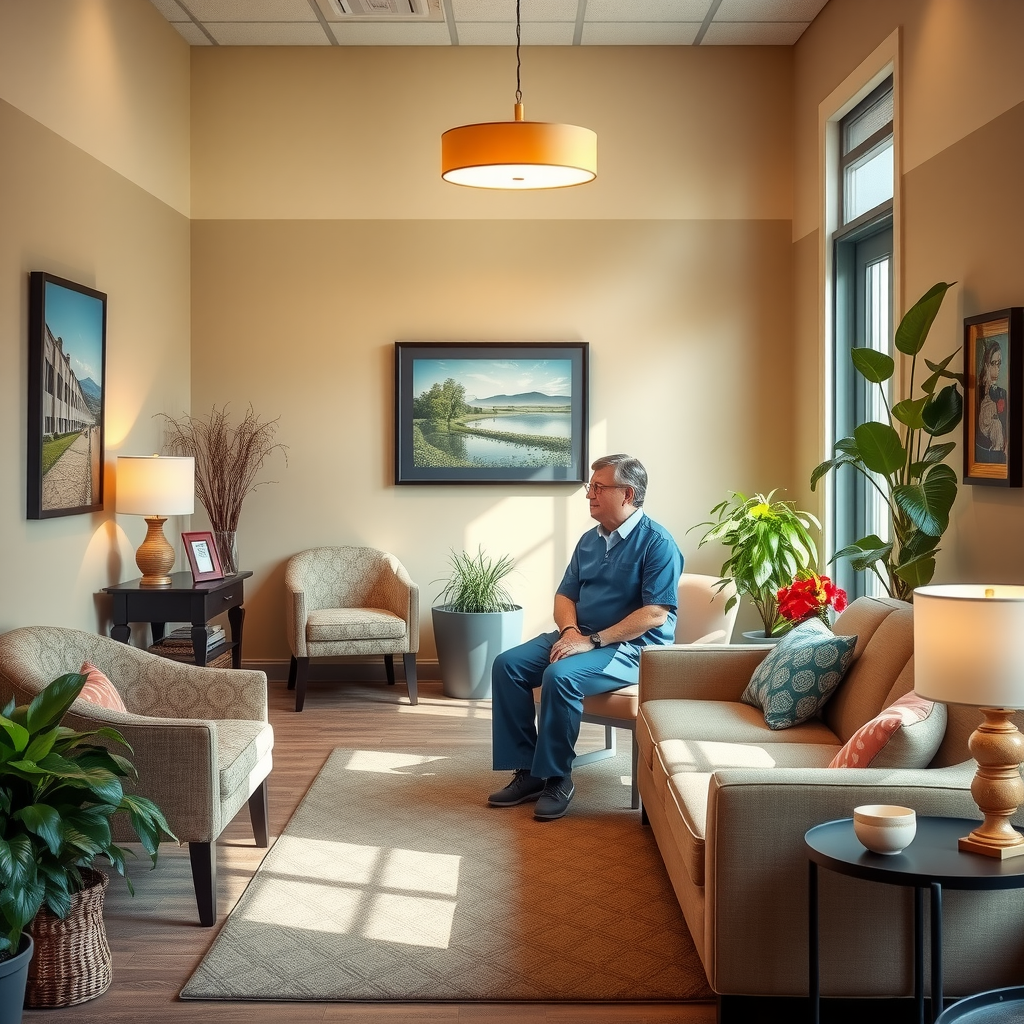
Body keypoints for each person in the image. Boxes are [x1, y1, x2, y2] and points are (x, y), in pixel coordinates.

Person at [488, 454, 683, 821]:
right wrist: (571, 631)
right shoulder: (588, 541)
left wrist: (592, 642)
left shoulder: (658, 543)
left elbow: (656, 613)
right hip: (582, 635)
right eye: (589, 487)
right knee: (507, 665)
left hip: (632, 647)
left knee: (560, 677)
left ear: (627, 494)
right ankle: (528, 771)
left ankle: (558, 778)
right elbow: (565, 596)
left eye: (598, 487)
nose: (589, 494)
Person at [976, 337, 1007, 462]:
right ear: (985, 365)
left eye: (999, 363)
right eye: (993, 363)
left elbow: (1007, 424)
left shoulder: (1002, 393)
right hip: (983, 454)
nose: (997, 369)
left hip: (1001, 454)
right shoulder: (976, 395)